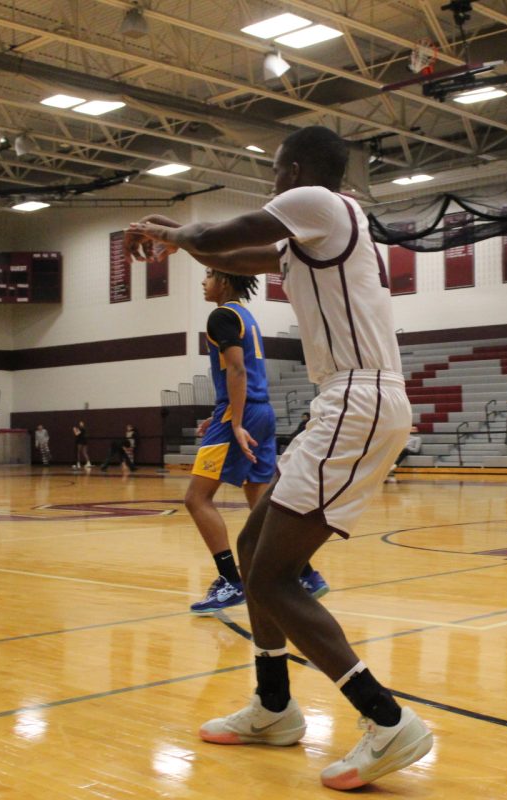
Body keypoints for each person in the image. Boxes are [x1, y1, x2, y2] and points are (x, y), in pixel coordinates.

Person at [125, 125, 432, 790]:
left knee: (272, 578)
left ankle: (386, 721)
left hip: (359, 399)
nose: (270, 184)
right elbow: (245, 254)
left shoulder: (320, 202)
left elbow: (224, 235)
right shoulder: (311, 238)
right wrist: (175, 231)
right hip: (343, 402)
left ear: (293, 169)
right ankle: (273, 707)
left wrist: (178, 235)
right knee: (251, 543)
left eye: (273, 171)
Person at [184, 268, 328, 614]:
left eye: (208, 276)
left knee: (196, 498)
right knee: (258, 495)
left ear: (225, 281)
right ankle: (306, 574)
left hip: (243, 414)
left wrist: (232, 420)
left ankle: (231, 581)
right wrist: (222, 412)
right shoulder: (245, 316)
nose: (203, 282)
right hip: (261, 411)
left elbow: (237, 370)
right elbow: (240, 371)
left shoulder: (221, 315)